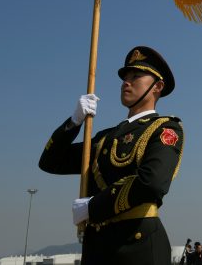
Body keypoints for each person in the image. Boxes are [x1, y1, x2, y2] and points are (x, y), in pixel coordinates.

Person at [39, 46, 184, 265]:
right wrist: (74, 122)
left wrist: (93, 206)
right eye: (125, 77)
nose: (126, 82)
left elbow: (152, 182)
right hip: (97, 248)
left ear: (158, 87)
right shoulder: (104, 138)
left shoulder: (165, 129)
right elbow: (51, 162)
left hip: (138, 247)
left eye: (136, 76)